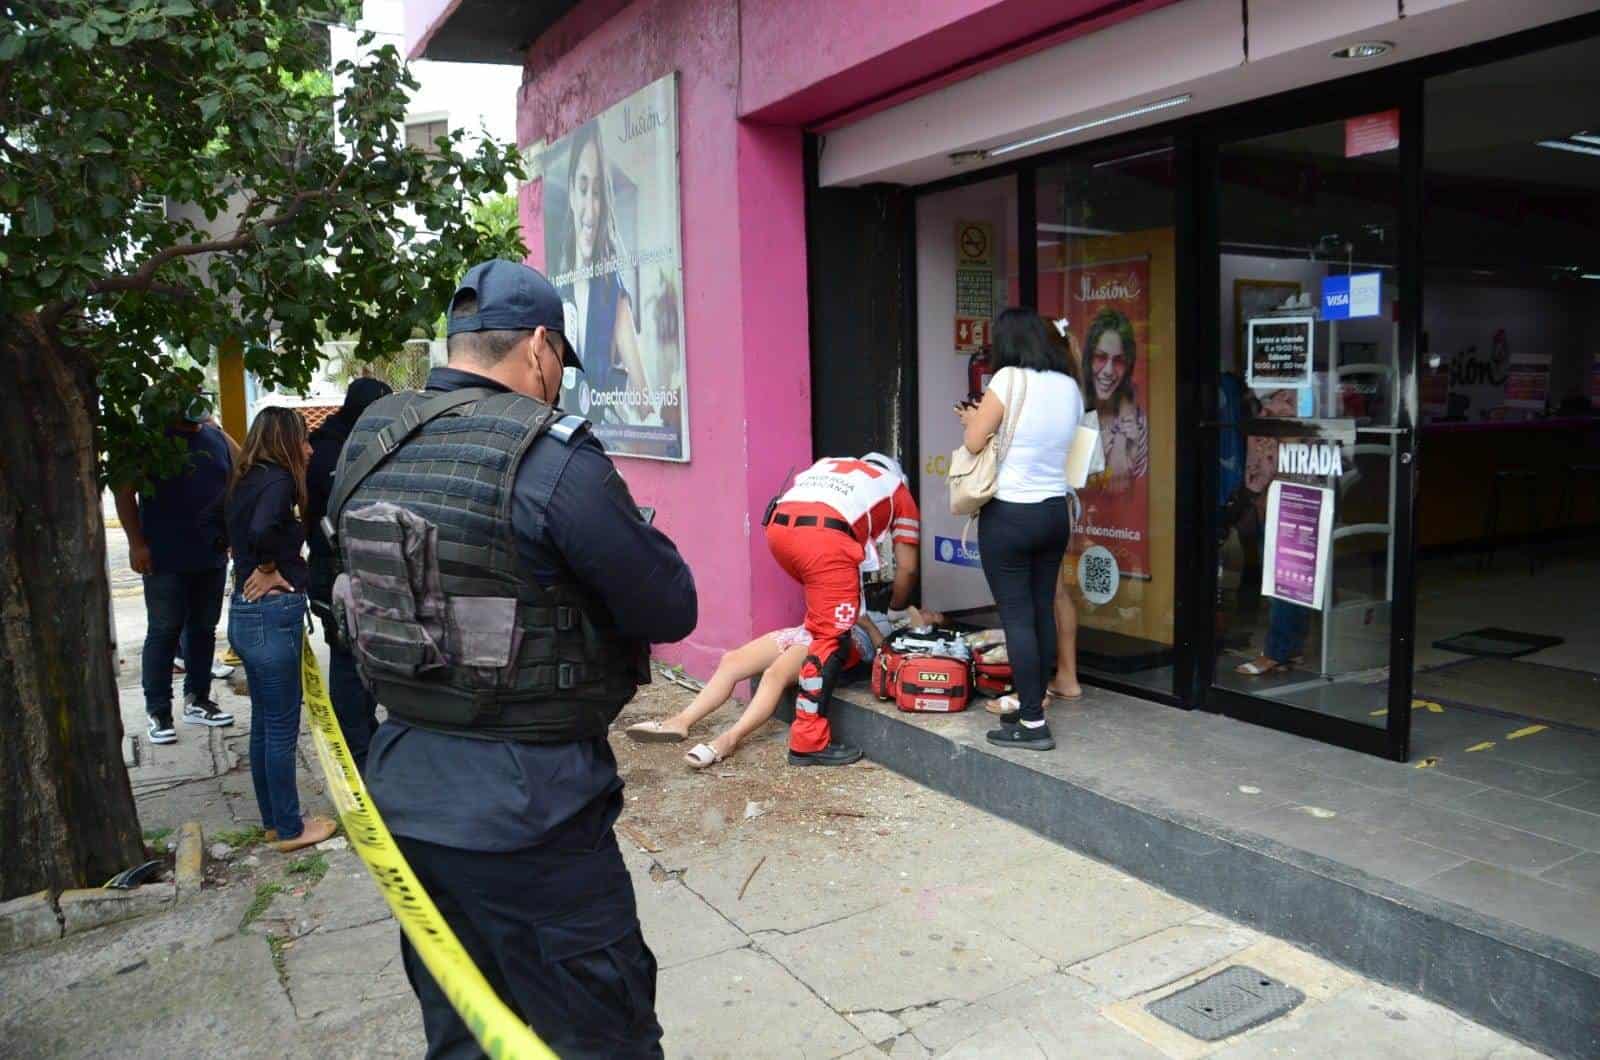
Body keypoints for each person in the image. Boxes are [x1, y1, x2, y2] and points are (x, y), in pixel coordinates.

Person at [331, 259, 696, 1058]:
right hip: (535, 816)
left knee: (464, 1035)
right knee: (604, 1039)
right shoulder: (552, 458)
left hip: (407, 801)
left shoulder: (371, 442)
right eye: (562, 360)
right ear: (538, 347)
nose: (560, 378)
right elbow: (671, 604)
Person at [956, 309, 1083, 751]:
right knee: (1041, 607)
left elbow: (975, 441)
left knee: (1016, 616)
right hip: (1053, 512)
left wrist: (971, 419)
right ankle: (1036, 706)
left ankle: (1031, 721)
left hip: (1010, 514)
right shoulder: (1069, 385)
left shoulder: (1008, 379)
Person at [626, 606, 943, 768]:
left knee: (775, 675)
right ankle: (680, 722)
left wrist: (879, 629)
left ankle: (728, 739)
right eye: (930, 610)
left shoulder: (911, 637)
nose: (930, 614)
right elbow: (852, 606)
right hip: (810, 628)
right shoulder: (892, 607)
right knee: (732, 661)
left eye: (936, 616)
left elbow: (870, 639)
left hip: (837, 640)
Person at [225, 406, 338, 853]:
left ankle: (275, 821)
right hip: (272, 616)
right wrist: (270, 566)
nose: (309, 450)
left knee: (263, 726)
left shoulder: (244, 479)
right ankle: (291, 829)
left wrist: (249, 563)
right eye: (303, 441)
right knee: (281, 728)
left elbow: (220, 526)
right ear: (285, 441)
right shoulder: (279, 481)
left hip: (245, 614)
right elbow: (261, 530)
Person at [765, 453, 921, 767]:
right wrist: (896, 609)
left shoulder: (834, 466)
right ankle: (808, 741)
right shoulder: (897, 489)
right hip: (824, 537)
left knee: (833, 619)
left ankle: (828, 667)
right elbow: (907, 569)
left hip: (778, 530)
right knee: (831, 639)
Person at [113, 394, 236, 746]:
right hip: (164, 555)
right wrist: (136, 543)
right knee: (165, 629)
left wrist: (217, 428)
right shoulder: (149, 443)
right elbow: (124, 493)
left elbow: (240, 465)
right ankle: (158, 711)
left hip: (210, 553)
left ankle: (198, 699)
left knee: (203, 629)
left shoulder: (212, 437)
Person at [305, 377, 393, 772]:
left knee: (366, 656)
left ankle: (364, 735)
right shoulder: (330, 451)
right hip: (333, 570)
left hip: (362, 568)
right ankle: (354, 747)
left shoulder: (359, 441)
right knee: (345, 657)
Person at [556, 121, 652, 420]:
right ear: (571, 192)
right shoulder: (559, 288)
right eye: (584, 188)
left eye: (597, 192)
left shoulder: (613, 292)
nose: (591, 207)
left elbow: (644, 400)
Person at [1083, 307, 1149, 495]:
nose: (1109, 371)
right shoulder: (1076, 410)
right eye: (1100, 357)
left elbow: (1133, 494)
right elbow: (1071, 487)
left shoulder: (1137, 420)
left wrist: (1129, 447)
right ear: (1088, 359)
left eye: (1118, 360)